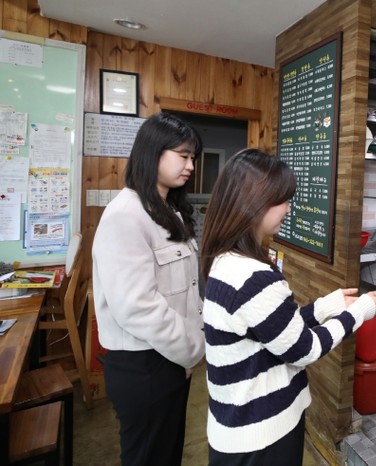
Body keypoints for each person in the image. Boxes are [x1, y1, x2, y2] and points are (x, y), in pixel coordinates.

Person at [199, 148, 376, 466]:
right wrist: (360, 310)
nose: (288, 208)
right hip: (261, 434)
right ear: (254, 202)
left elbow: (274, 329)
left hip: (237, 425)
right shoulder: (253, 276)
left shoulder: (226, 261)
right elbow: (304, 349)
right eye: (282, 200)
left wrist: (327, 305)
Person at [92, 112, 205, 465]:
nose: (190, 166)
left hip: (170, 358)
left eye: (193, 157)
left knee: (167, 453)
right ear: (153, 152)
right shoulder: (125, 215)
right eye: (183, 155)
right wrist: (192, 349)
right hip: (144, 365)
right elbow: (137, 307)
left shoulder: (167, 209)